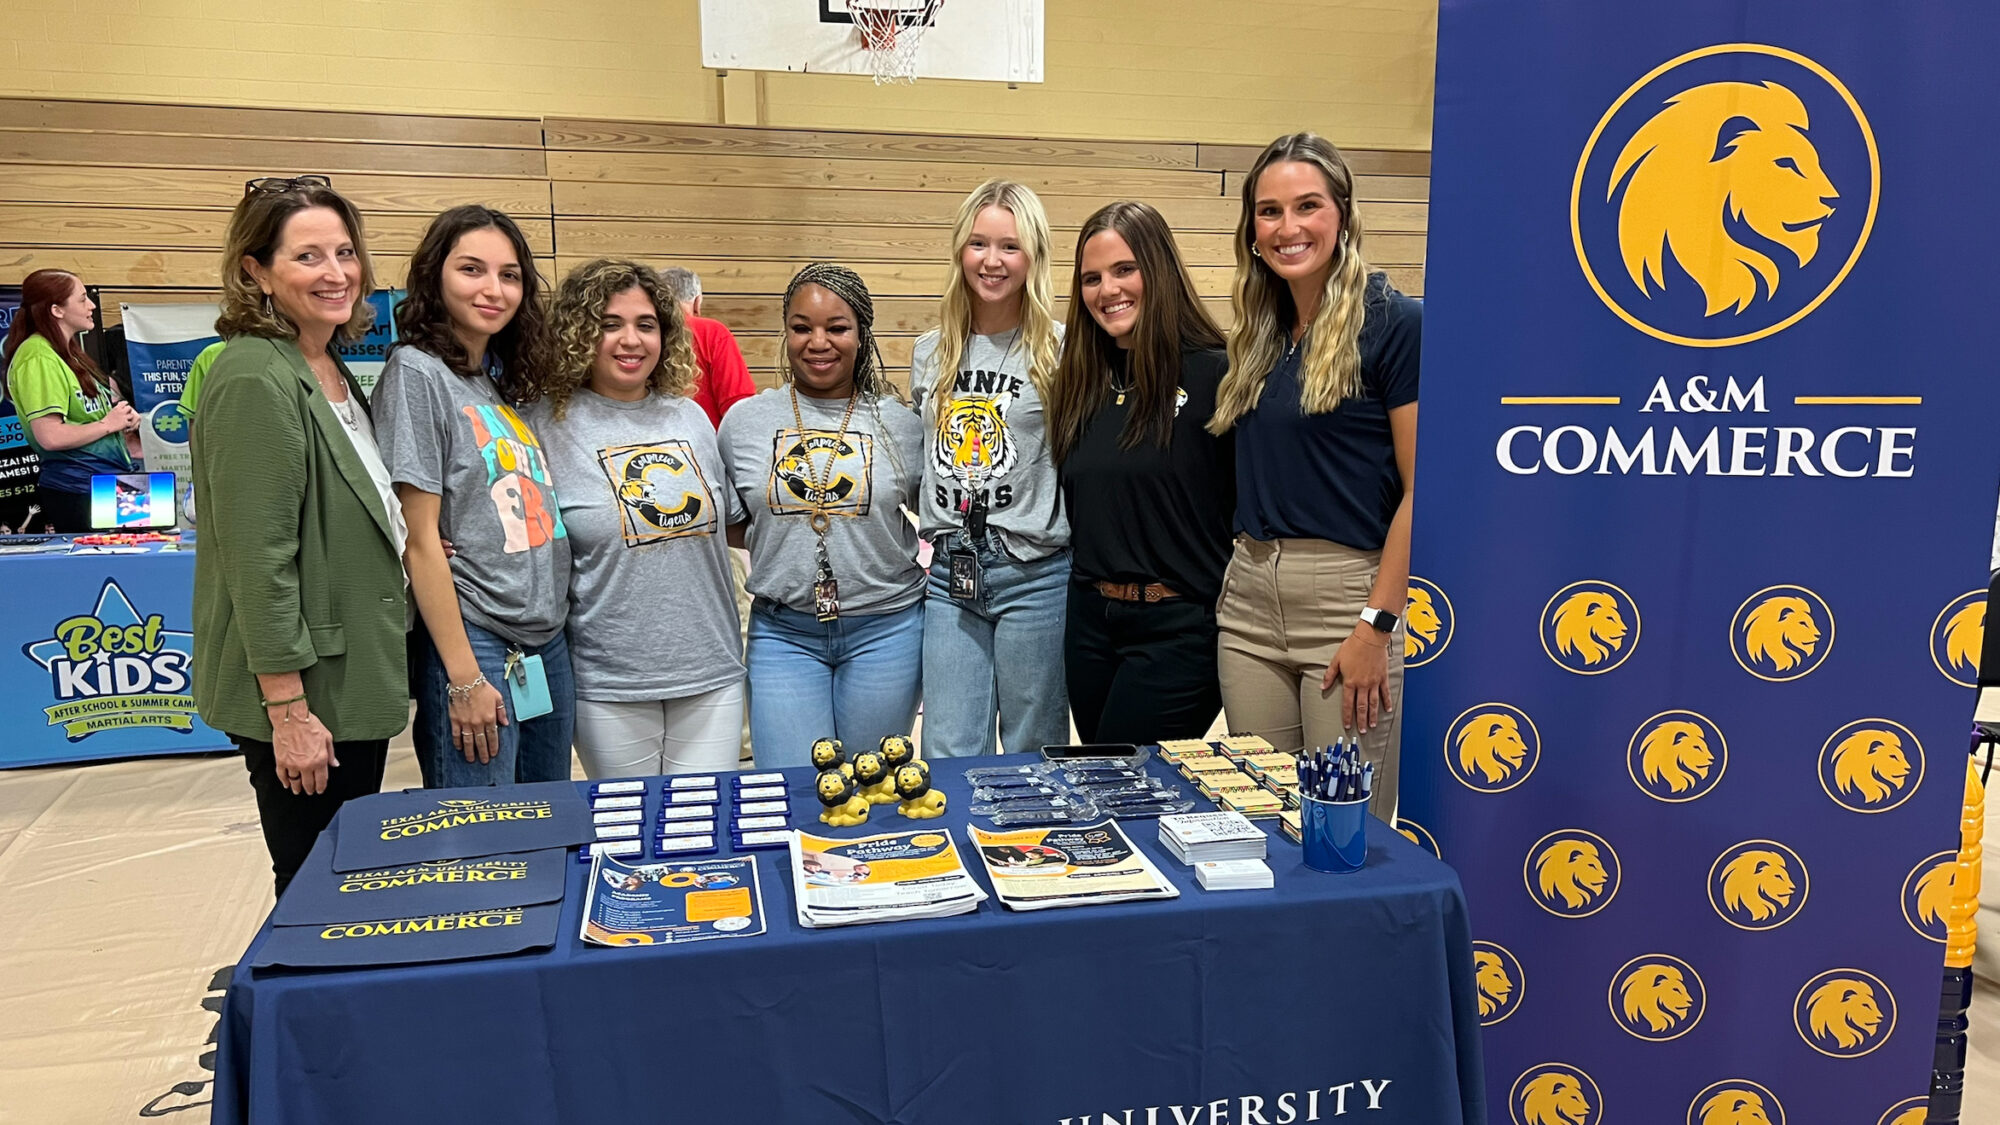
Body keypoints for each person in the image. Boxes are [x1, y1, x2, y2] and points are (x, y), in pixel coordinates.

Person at [188, 176, 408, 895]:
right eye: (308, 256)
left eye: (345, 252)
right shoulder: (253, 373)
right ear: (255, 270)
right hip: (309, 691)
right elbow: (258, 561)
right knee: (319, 888)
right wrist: (288, 712)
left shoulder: (328, 367)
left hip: (353, 677)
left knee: (351, 875)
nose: (337, 272)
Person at [1207, 133, 1420, 819]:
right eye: (1269, 211)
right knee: (1264, 821)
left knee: (1341, 826)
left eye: (1307, 205)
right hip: (1248, 605)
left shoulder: (1397, 324)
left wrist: (1374, 627)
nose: (1288, 227)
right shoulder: (1259, 333)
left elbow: (1425, 493)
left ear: (1344, 214)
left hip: (1346, 602)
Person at [375, 204, 575, 788]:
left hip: (542, 641)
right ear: (436, 276)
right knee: (482, 842)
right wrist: (462, 676)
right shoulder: (417, 373)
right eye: (472, 270)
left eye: (509, 275)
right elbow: (418, 541)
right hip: (478, 639)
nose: (493, 289)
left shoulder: (493, 382)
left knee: (546, 825)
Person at [525, 260, 747, 777]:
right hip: (609, 680)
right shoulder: (541, 422)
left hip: (709, 668)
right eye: (610, 324)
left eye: (646, 325)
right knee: (631, 837)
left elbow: (734, 522)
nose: (632, 340)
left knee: (700, 832)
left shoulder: (689, 415)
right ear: (580, 332)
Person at [718, 263, 923, 768]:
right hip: (784, 632)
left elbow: (938, 513)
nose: (818, 342)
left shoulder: (901, 424)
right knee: (792, 787)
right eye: (801, 327)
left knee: (872, 786)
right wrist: (785, 548)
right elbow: (730, 519)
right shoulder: (744, 423)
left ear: (862, 335)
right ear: (785, 332)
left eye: (837, 328)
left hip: (887, 629)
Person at [1049, 201, 1233, 745]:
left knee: (1118, 783)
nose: (1107, 290)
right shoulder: (1081, 380)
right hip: (1090, 623)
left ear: (1159, 270)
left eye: (1124, 270)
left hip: (1179, 631)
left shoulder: (1217, 373)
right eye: (1091, 278)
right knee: (1100, 784)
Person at [909, 180, 1069, 757]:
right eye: (979, 244)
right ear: (960, 250)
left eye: (1010, 245)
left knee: (1034, 745)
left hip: (1035, 570)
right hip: (952, 570)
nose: (992, 261)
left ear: (1033, 256)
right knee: (948, 745)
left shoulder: (1060, 348)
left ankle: (1030, 850)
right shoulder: (932, 350)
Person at [2, 269, 141, 531]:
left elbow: (87, 417)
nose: (91, 305)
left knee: (133, 559)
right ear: (57, 310)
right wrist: (108, 425)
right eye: (82, 299)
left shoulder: (69, 353)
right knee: (106, 566)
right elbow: (50, 437)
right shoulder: (38, 357)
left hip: (106, 480)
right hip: (78, 486)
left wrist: (123, 419)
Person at [658, 266, 756, 428]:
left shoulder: (645, 333)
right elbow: (740, 409)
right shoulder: (712, 333)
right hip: (708, 447)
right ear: (697, 302)